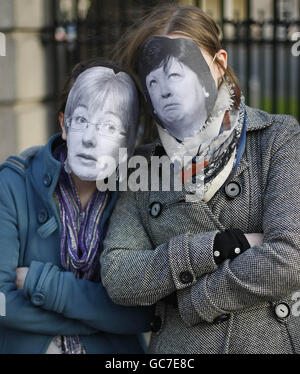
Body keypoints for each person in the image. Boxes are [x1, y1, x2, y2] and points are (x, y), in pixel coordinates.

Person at [100, 4, 300, 354]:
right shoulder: (143, 167)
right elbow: (119, 276)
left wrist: (195, 300)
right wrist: (224, 246)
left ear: (219, 65)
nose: (165, 90)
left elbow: (290, 257)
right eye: (153, 80)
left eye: (176, 74)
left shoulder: (276, 137)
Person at [0, 58, 154, 354]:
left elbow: (143, 312)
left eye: (110, 126)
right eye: (82, 120)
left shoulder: (136, 196)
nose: (91, 140)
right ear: (64, 125)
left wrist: (41, 283)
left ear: (130, 141)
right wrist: (99, 317)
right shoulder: (12, 185)